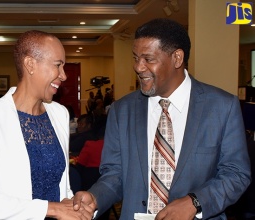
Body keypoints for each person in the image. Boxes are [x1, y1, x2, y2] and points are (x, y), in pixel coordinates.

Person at [73, 18, 251, 220]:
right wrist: (95, 197)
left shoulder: (221, 107)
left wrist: (195, 202)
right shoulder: (121, 110)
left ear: (177, 58)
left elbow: (236, 174)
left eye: (148, 59)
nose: (138, 67)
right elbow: (115, 174)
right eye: (136, 58)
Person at [0, 30, 93, 220]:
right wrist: (52, 209)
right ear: (30, 64)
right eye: (58, 65)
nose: (64, 75)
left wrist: (75, 206)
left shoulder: (59, 114)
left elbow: (61, 186)